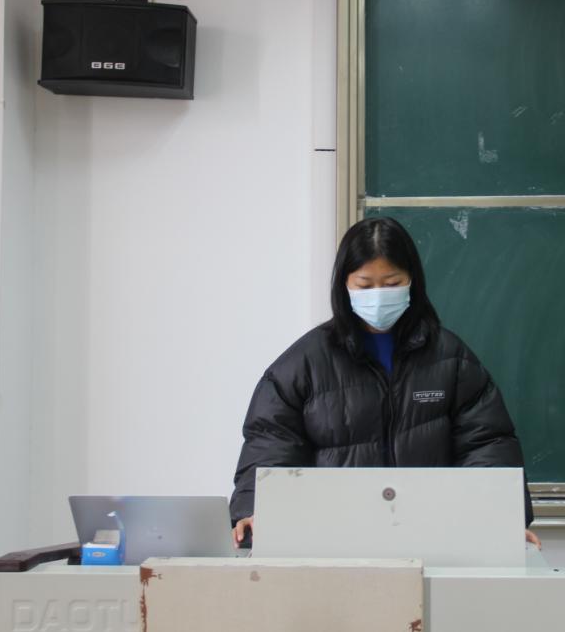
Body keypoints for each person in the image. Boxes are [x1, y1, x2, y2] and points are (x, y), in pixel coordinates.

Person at [230, 217, 538, 548]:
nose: (378, 297)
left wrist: (500, 517)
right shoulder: (304, 362)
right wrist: (256, 509)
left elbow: (487, 443)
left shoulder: (451, 359)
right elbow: (271, 441)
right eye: (364, 286)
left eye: (392, 284)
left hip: (432, 536)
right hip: (334, 539)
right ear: (344, 285)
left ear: (412, 282)